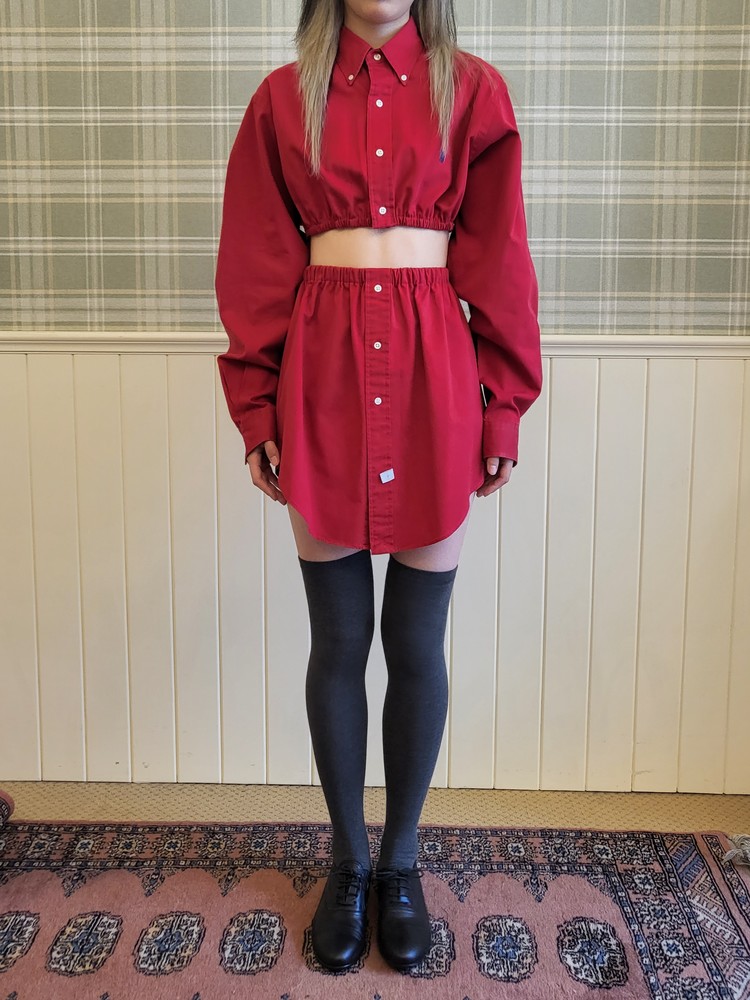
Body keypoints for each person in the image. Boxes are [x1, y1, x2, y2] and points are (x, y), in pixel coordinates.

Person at [214, 0, 542, 974]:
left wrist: (503, 405)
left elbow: (500, 256)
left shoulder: (473, 92)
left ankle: (400, 863)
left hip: (438, 380)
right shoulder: (284, 101)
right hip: (321, 379)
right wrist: (257, 407)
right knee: (339, 640)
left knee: (416, 641)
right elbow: (256, 261)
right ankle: (348, 863)